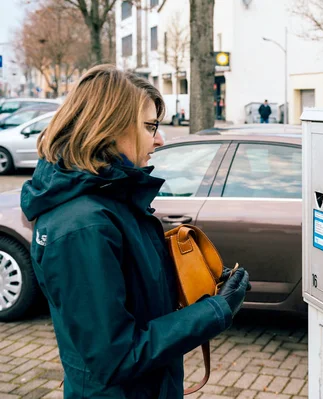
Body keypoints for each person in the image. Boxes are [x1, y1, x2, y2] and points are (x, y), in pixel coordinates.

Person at [20, 64, 250, 398]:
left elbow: (136, 300)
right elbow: (114, 357)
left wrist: (204, 286)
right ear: (108, 127)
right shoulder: (84, 226)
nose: (159, 139)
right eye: (150, 127)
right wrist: (215, 311)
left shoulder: (112, 200)